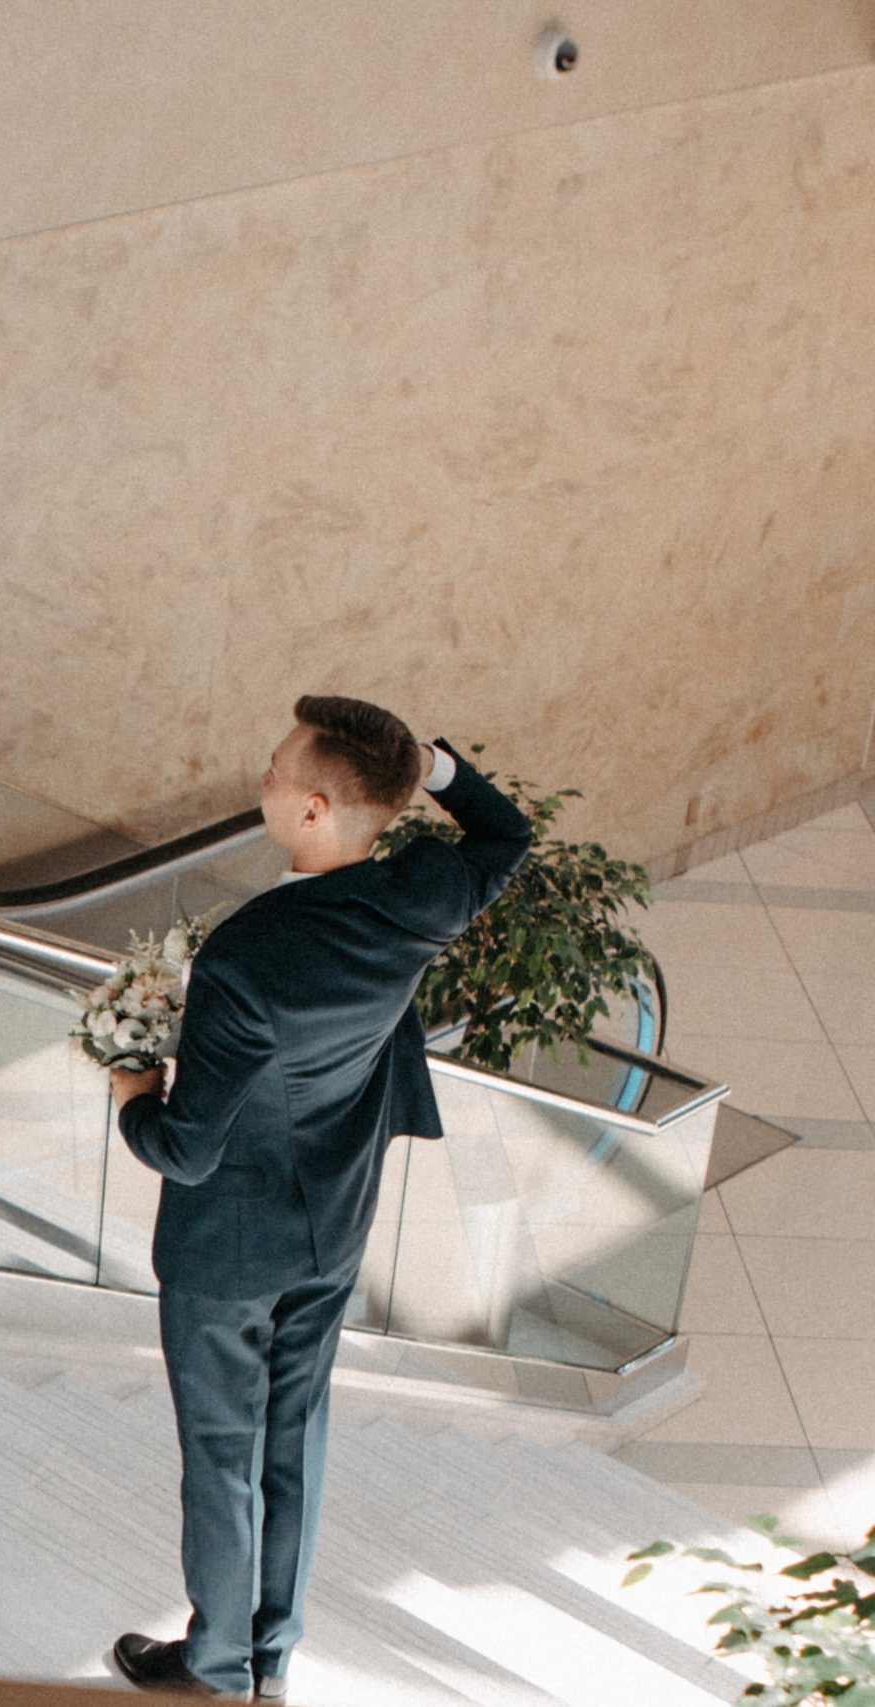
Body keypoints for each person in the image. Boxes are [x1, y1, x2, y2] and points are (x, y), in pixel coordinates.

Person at [107, 696, 532, 1699]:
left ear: (307, 811)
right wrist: (427, 767)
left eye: (271, 769)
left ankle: (214, 1669)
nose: (258, 778)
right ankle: (270, 1662)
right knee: (292, 1439)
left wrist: (130, 1093)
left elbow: (186, 1151)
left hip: (226, 1251)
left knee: (222, 1455)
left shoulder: (246, 957)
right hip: (331, 1226)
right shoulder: (420, 896)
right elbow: (506, 831)